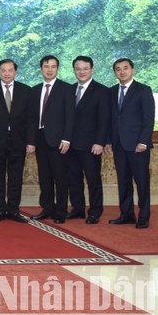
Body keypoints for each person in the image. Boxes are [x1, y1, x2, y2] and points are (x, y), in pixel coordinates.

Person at [0, 59, 34, 223]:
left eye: (10, 70)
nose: (7, 73)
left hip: (19, 141)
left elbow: (31, 119)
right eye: (3, 70)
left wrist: (31, 142)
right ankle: (0, 210)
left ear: (15, 72)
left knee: (16, 177)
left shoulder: (26, 91)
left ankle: (14, 211)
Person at [105, 58, 155, 229]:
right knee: (123, 181)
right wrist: (108, 141)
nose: (122, 72)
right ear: (115, 73)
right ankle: (126, 214)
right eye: (118, 69)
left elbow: (149, 119)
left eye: (125, 68)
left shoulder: (143, 90)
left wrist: (143, 141)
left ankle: (144, 216)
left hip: (137, 145)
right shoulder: (111, 92)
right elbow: (110, 119)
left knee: (141, 182)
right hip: (119, 144)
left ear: (132, 69)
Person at [28, 55, 74, 225]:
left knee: (60, 177)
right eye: (46, 66)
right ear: (41, 68)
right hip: (40, 139)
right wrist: (31, 141)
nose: (49, 69)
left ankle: (61, 211)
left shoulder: (67, 89)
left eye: (53, 66)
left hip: (59, 141)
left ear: (57, 69)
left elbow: (70, 117)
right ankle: (47, 208)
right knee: (44, 176)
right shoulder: (34, 90)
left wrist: (67, 138)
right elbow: (32, 118)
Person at [67, 56, 109, 224]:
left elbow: (104, 119)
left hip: (91, 145)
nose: (82, 72)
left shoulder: (102, 91)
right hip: (70, 145)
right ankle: (78, 209)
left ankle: (95, 211)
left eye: (85, 68)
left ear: (91, 70)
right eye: (78, 69)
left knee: (93, 180)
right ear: (74, 70)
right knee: (73, 179)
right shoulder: (69, 90)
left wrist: (99, 142)